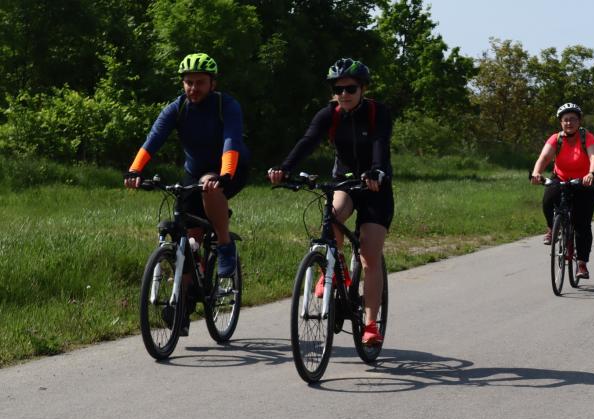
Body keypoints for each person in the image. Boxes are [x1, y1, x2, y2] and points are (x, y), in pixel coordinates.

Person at [268, 58, 393, 346]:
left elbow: (380, 143)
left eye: (350, 89)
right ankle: (335, 270)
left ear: (362, 89)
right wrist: (284, 168)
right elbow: (308, 140)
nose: (344, 94)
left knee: (369, 255)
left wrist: (376, 170)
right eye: (338, 89)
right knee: (332, 214)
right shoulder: (329, 114)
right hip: (345, 181)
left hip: (375, 186)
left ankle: (371, 324)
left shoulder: (378, 112)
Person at [125, 52, 248, 280]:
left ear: (212, 84)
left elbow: (231, 140)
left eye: (200, 82)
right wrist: (134, 170)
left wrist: (225, 174)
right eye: (189, 82)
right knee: (188, 240)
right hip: (194, 172)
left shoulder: (226, 105)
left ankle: (225, 245)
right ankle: (187, 289)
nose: (193, 88)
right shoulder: (177, 108)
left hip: (231, 169)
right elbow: (153, 139)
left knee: (209, 185)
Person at [530, 102, 594, 280]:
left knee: (582, 224)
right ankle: (551, 228)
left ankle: (582, 264)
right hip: (561, 178)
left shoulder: (587, 137)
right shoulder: (556, 139)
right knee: (548, 201)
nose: (569, 123)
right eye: (566, 120)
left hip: (584, 182)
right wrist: (537, 173)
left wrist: (591, 173)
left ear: (579, 121)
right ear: (561, 122)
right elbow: (544, 157)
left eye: (573, 119)